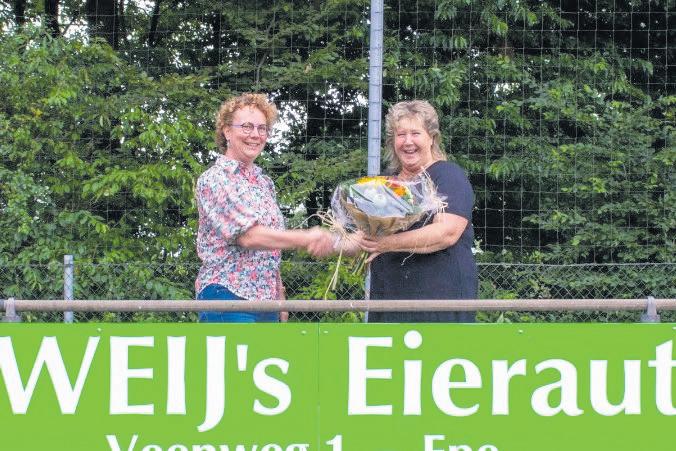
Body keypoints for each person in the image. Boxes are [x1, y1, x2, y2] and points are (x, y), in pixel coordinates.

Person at [195, 93, 335, 323]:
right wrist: (307, 237)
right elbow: (248, 237)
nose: (255, 135)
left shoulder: (264, 183)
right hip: (228, 296)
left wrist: (279, 295)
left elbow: (270, 247)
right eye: (247, 127)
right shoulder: (215, 179)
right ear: (227, 131)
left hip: (267, 301)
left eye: (262, 128)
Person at [357, 100, 478, 322]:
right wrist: (321, 239)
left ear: (432, 137)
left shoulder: (448, 175)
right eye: (401, 135)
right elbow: (364, 238)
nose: (408, 141)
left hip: (439, 307)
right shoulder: (386, 185)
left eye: (415, 133)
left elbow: (447, 232)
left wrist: (385, 244)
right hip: (388, 305)